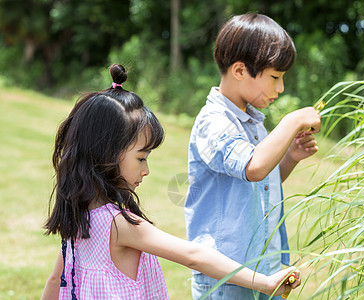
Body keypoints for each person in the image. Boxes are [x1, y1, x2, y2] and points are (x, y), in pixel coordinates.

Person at [40, 64, 301, 299]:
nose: (147, 170)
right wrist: (265, 283)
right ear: (107, 155)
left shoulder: (79, 216)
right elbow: (194, 256)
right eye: (141, 158)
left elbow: (57, 281)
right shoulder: (120, 225)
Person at [184, 13, 321, 300]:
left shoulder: (253, 121)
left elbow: (261, 182)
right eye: (275, 77)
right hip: (226, 275)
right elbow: (254, 168)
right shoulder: (214, 122)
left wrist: (290, 157)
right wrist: (292, 120)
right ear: (239, 70)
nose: (280, 88)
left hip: (262, 269)